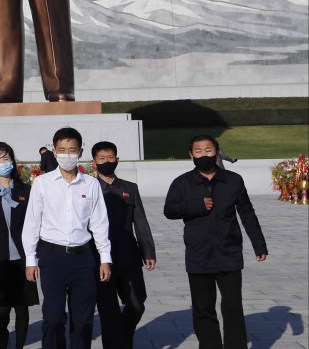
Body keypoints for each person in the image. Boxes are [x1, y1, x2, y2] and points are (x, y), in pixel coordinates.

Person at [164, 134, 267, 349]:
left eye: (208, 150)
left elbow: (247, 213)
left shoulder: (233, 180)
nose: (204, 155)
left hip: (228, 252)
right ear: (191, 155)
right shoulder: (182, 183)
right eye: (198, 151)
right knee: (203, 308)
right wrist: (195, 206)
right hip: (198, 254)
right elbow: (169, 210)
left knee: (232, 306)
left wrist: (259, 245)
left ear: (217, 152)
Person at [21, 127, 111, 349]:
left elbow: (99, 223)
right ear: (54, 152)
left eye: (72, 150)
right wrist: (30, 259)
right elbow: (32, 223)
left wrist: (105, 258)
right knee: (53, 318)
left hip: (83, 258)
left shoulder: (90, 185)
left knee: (83, 320)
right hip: (52, 258)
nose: (67, 154)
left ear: (80, 151)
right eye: (62, 150)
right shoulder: (42, 183)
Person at [91, 141, 156, 349]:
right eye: (102, 158)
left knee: (137, 303)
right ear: (94, 163)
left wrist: (148, 251)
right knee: (108, 309)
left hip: (128, 255)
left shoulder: (130, 188)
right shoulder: (88, 188)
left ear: (117, 160)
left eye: (110, 158)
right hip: (100, 259)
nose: (107, 162)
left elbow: (141, 222)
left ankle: (123, 338)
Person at [0, 142, 38, 349]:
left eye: (5, 158)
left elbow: (34, 224)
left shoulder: (26, 191)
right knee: (2, 307)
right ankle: (3, 333)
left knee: (22, 307)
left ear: (12, 161)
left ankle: (19, 344)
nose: (2, 163)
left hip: (23, 259)